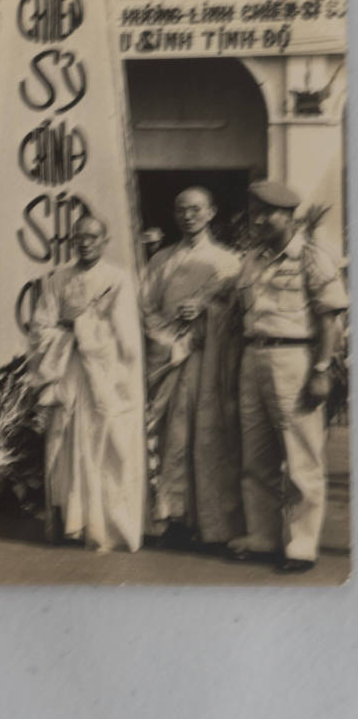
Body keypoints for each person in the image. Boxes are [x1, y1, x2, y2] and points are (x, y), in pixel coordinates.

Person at [227, 181, 347, 574]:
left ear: (289, 216)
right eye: (255, 212)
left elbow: (329, 319)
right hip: (254, 356)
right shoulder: (252, 259)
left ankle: (302, 542)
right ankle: (262, 536)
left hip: (295, 357)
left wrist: (321, 370)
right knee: (256, 456)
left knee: (301, 456)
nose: (258, 220)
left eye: (268, 213)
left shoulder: (312, 257)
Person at [29, 215, 146, 552]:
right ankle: (72, 523)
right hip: (67, 373)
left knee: (107, 446)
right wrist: (74, 329)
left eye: (93, 237)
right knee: (67, 446)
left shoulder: (118, 279)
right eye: (79, 236)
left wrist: (79, 327)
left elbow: (124, 337)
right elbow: (41, 327)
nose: (85, 242)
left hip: (105, 377)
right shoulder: (58, 279)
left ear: (105, 240)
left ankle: (108, 526)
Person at [142, 187, 244, 547]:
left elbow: (236, 316)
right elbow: (147, 308)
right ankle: (172, 515)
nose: (189, 216)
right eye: (181, 209)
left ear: (211, 212)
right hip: (170, 357)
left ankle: (212, 522)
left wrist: (206, 315)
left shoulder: (228, 262)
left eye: (196, 209)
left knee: (208, 435)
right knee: (171, 435)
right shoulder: (160, 261)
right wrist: (171, 339)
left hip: (208, 360)